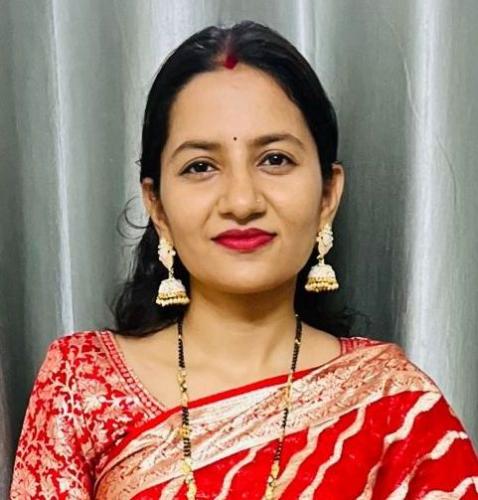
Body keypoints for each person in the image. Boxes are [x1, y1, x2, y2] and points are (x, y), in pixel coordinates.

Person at [10, 19, 478, 500]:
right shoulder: (82, 386)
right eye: (200, 166)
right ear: (158, 207)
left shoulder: (393, 408)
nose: (241, 201)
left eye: (275, 159)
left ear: (327, 195)